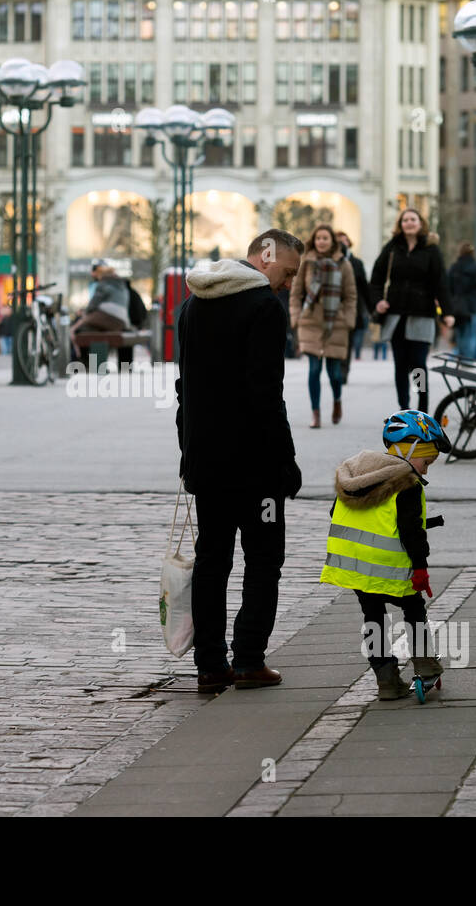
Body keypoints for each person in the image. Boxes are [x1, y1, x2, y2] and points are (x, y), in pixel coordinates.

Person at [175, 228, 304, 694]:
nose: (289, 283)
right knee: (264, 559)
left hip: (207, 460)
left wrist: (187, 450)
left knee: (212, 561)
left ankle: (210, 667)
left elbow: (182, 388)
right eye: (288, 272)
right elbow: (265, 393)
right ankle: (249, 660)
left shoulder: (192, 302)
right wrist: (286, 461)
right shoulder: (263, 307)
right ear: (266, 257)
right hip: (255, 465)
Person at [323, 410, 451, 700]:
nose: (427, 469)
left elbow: (337, 513)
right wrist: (421, 568)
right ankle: (426, 665)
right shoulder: (407, 484)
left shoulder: (356, 474)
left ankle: (386, 680)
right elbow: (410, 534)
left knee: (373, 618)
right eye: (427, 461)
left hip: (356, 568)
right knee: (414, 610)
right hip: (392, 567)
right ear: (411, 449)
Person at [369, 209, 454, 412]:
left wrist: (447, 312)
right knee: (400, 364)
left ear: (420, 223)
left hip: (422, 314)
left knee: (418, 364)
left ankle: (422, 409)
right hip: (396, 315)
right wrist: (378, 301)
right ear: (400, 224)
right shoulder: (391, 248)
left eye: (412, 219)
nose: (409, 223)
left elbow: (440, 282)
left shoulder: (431, 250)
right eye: (405, 220)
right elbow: (376, 279)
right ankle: (404, 409)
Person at [290, 225, 357, 429]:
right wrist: (295, 316)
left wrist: (347, 319)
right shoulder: (306, 264)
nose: (321, 241)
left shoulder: (344, 264)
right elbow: (296, 292)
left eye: (325, 238)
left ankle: (337, 400)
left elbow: (350, 295)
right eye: (318, 238)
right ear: (313, 240)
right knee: (314, 369)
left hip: (335, 322)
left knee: (335, 373)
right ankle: (316, 413)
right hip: (310, 321)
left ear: (332, 241)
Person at [70, 263, 132, 355]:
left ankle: (85, 361)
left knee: (81, 330)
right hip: (121, 322)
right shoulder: (122, 286)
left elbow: (92, 305)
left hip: (108, 318)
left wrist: (83, 313)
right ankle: (96, 363)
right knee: (95, 333)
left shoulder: (103, 284)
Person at [335, 230, 372, 362]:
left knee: (348, 339)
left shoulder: (357, 263)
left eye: (344, 240)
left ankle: (343, 370)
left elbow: (364, 287)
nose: (341, 243)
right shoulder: (326, 261)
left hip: (352, 307)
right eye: (338, 240)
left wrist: (371, 308)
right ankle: (336, 369)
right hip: (331, 307)